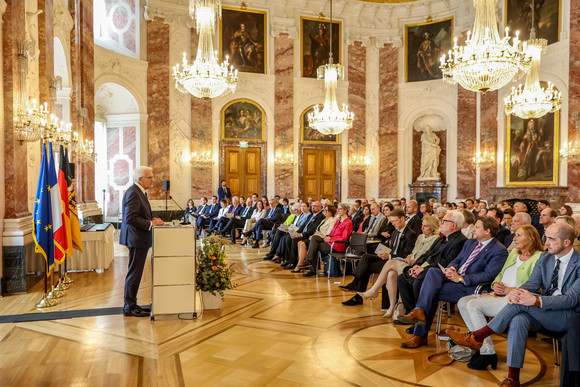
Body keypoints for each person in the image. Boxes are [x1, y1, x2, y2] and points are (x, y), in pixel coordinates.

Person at [447, 223, 580, 387]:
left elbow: (571, 299)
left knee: (520, 305)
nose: (546, 243)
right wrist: (518, 292)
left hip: (566, 316)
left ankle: (477, 337)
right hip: (542, 311)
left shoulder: (578, 263)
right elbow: (532, 284)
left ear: (566, 242)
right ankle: (513, 379)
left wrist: (536, 300)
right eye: (546, 238)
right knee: (519, 319)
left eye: (551, 239)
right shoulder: (546, 258)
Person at [397, 216, 508, 348]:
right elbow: (457, 259)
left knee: (431, 290)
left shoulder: (499, 250)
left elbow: (488, 275)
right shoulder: (470, 243)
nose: (473, 230)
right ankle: (419, 314)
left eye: (477, 227)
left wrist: (460, 278)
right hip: (453, 277)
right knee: (432, 272)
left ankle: (419, 332)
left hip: (470, 285)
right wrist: (451, 268)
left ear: (487, 231)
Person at [457, 225, 543, 370]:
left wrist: (510, 290)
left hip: (515, 299)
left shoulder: (539, 257)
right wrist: (496, 284)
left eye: (519, 236)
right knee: (462, 302)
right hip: (499, 294)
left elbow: (537, 286)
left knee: (473, 305)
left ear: (532, 238)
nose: (514, 239)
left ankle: (487, 352)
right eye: (515, 235)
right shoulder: (514, 254)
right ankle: (479, 347)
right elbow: (500, 275)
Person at [359, 215, 439, 317]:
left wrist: (415, 262)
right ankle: (392, 306)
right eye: (422, 225)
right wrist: (409, 258)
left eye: (426, 226)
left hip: (419, 267)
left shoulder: (436, 239)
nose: (422, 228)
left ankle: (374, 290)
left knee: (390, 262)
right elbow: (413, 252)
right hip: (409, 262)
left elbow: (431, 259)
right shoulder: (420, 237)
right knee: (391, 274)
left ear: (432, 227)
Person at [340, 209, 417, 306]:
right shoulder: (394, 232)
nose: (392, 224)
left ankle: (357, 295)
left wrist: (389, 255)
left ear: (402, 218)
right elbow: (392, 249)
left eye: (394, 221)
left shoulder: (411, 234)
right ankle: (355, 284)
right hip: (389, 258)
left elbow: (407, 254)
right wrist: (383, 252)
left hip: (397, 263)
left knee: (367, 265)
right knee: (365, 258)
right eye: (391, 221)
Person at [397, 211, 467, 317]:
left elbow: (446, 263)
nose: (440, 223)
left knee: (418, 281)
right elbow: (426, 254)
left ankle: (421, 317)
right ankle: (410, 313)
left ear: (453, 225)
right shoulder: (441, 238)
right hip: (428, 269)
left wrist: (423, 270)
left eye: (444, 221)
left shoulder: (460, 241)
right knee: (402, 278)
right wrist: (416, 265)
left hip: (440, 273)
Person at [120, 166, 164, 317]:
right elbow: (130, 218)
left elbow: (138, 215)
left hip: (139, 238)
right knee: (134, 273)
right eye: (150, 177)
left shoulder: (139, 192)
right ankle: (129, 307)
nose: (153, 180)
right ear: (140, 179)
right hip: (136, 239)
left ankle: (132, 304)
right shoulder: (134, 193)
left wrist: (151, 220)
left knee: (136, 273)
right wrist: (150, 224)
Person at [301, 203, 353, 277]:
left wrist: (331, 239)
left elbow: (344, 238)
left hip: (337, 245)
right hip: (331, 242)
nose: (338, 210)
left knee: (314, 246)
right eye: (337, 208)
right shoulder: (338, 221)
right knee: (315, 239)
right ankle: (310, 263)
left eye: (340, 209)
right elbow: (332, 232)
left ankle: (311, 266)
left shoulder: (348, 222)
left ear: (345, 210)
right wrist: (327, 237)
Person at [291, 205, 337, 273]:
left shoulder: (332, 220)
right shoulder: (324, 220)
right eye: (325, 210)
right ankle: (302, 264)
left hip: (324, 239)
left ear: (331, 212)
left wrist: (316, 236)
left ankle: (303, 264)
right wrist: (313, 235)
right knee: (300, 243)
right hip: (317, 238)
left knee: (305, 243)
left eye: (327, 210)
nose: (325, 212)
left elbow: (328, 233)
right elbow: (317, 230)